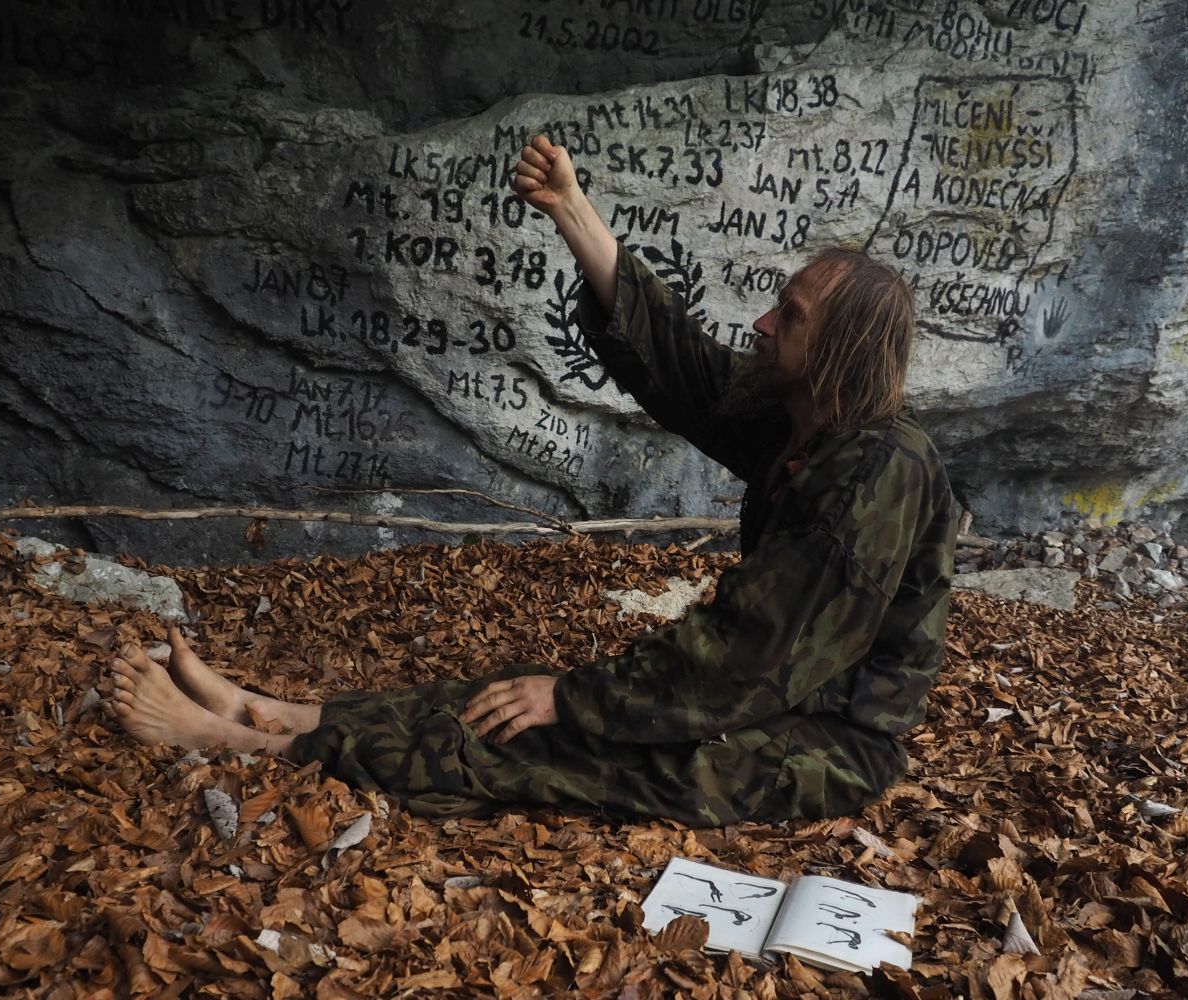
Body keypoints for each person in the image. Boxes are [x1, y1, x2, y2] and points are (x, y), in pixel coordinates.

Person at [110, 135, 957, 826]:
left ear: (841, 351)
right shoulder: (813, 419)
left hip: (829, 740)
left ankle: (241, 744)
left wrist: (579, 699)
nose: (764, 324)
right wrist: (571, 209)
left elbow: (742, 661)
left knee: (539, 737)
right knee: (503, 699)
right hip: (776, 697)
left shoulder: (874, 477)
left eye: (792, 318)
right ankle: (281, 711)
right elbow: (689, 371)